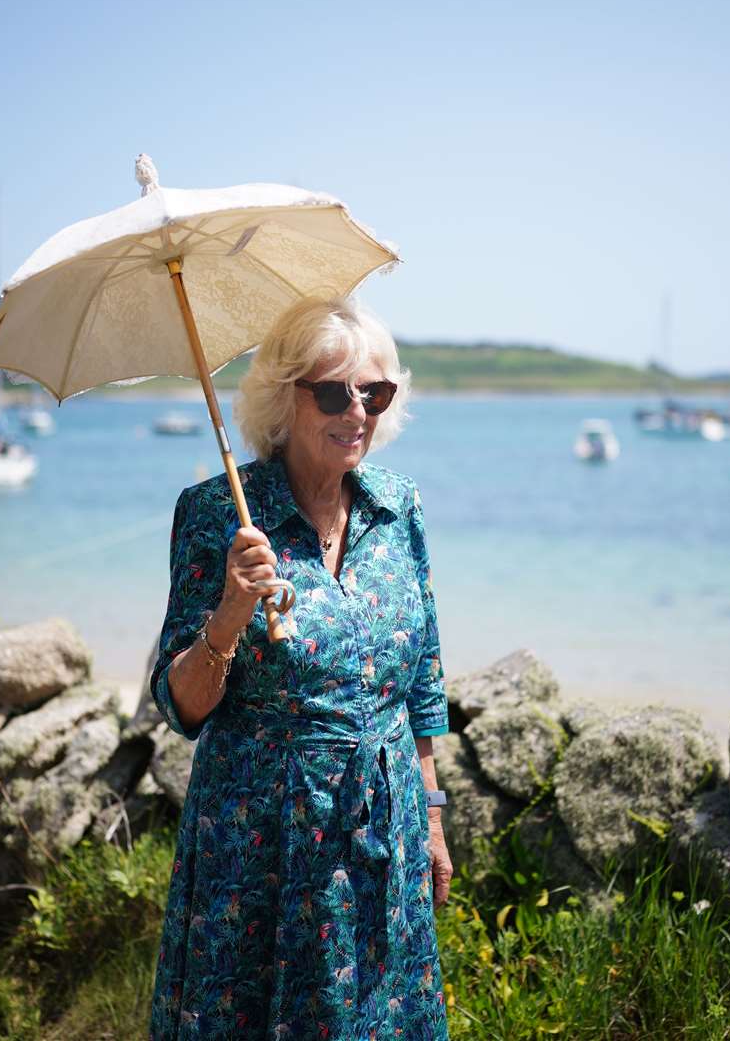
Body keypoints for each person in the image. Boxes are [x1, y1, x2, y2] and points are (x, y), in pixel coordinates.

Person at [147, 297, 452, 1040]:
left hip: (386, 825)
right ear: (284, 395)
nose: (357, 411)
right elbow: (181, 706)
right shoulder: (219, 512)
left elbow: (422, 677)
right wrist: (229, 610)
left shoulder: (397, 505)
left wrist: (434, 816)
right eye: (333, 391)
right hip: (263, 839)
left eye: (374, 392)